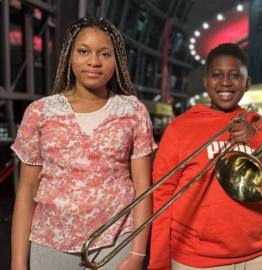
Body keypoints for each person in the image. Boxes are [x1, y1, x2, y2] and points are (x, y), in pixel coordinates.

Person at [11, 17, 156, 270]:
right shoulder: (40, 112)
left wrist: (137, 254)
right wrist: (17, 263)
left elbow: (143, 187)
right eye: (83, 51)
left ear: (116, 60)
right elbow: (26, 192)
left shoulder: (133, 110)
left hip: (116, 243)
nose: (94, 61)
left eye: (105, 54)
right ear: (70, 56)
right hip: (49, 243)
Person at [148, 43, 262, 270]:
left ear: (247, 83)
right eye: (217, 75)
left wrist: (256, 138)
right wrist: (158, 263)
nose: (225, 82)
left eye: (235, 75)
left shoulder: (259, 123)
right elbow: (162, 197)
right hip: (198, 260)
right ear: (205, 82)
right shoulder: (180, 128)